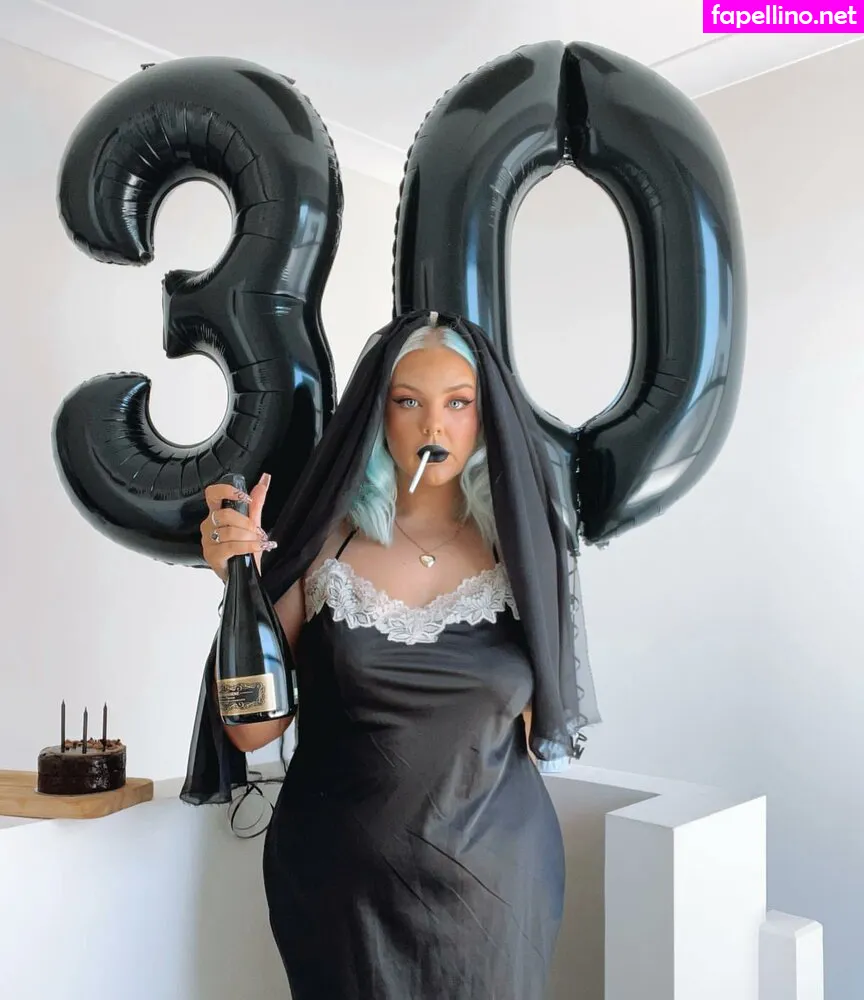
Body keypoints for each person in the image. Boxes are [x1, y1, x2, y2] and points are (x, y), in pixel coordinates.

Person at [182, 309, 601, 999]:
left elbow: (535, 730)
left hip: (498, 887)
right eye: (408, 402)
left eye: (458, 403)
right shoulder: (323, 546)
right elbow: (253, 730)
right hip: (340, 891)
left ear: (486, 416)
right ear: (377, 415)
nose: (434, 426)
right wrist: (240, 582)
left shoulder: (522, 553)